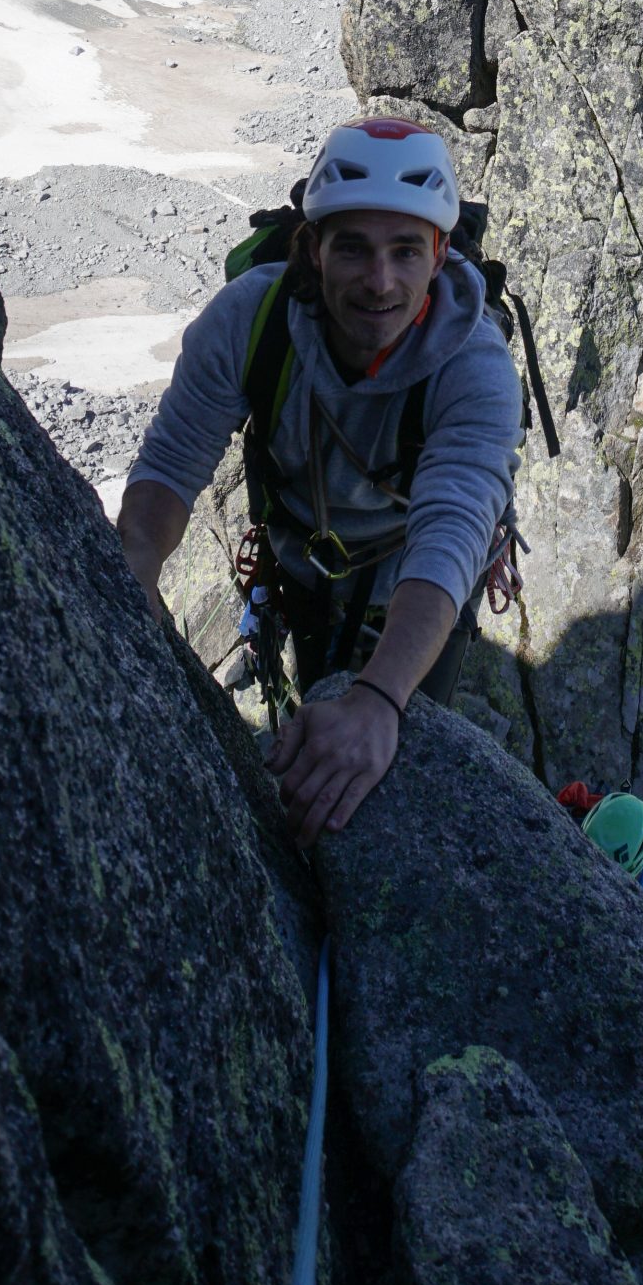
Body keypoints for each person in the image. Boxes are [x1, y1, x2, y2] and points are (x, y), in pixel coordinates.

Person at [117, 118, 520, 845]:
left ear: (440, 254)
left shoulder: (475, 367)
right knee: (315, 716)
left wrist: (381, 699)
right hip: (299, 563)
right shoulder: (253, 319)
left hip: (413, 586)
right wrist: (134, 573)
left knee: (383, 779)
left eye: (405, 251)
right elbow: (172, 464)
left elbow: (453, 530)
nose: (379, 281)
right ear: (313, 250)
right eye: (354, 249)